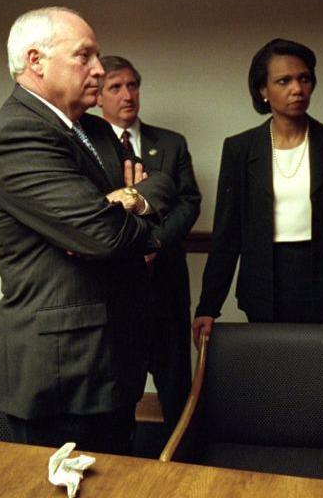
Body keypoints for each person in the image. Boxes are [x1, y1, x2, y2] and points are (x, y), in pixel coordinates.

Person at [0, 7, 174, 455]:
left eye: (98, 56)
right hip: (63, 376)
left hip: (114, 362)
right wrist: (119, 216)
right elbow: (103, 236)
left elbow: (162, 184)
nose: (100, 70)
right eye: (84, 55)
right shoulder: (15, 134)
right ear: (36, 61)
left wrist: (129, 200)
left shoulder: (96, 129)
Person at [193, 38, 323, 345]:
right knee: (270, 379)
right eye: (283, 81)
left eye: (304, 78)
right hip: (264, 284)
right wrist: (208, 307)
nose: (297, 89)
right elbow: (226, 235)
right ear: (263, 90)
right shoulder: (240, 149)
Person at [97, 55, 201, 428]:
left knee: (177, 390)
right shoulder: (90, 148)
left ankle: (185, 472)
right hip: (116, 293)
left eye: (132, 85)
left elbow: (189, 202)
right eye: (115, 87)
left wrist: (153, 244)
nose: (128, 95)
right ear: (98, 96)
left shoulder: (170, 144)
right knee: (118, 394)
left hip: (166, 287)